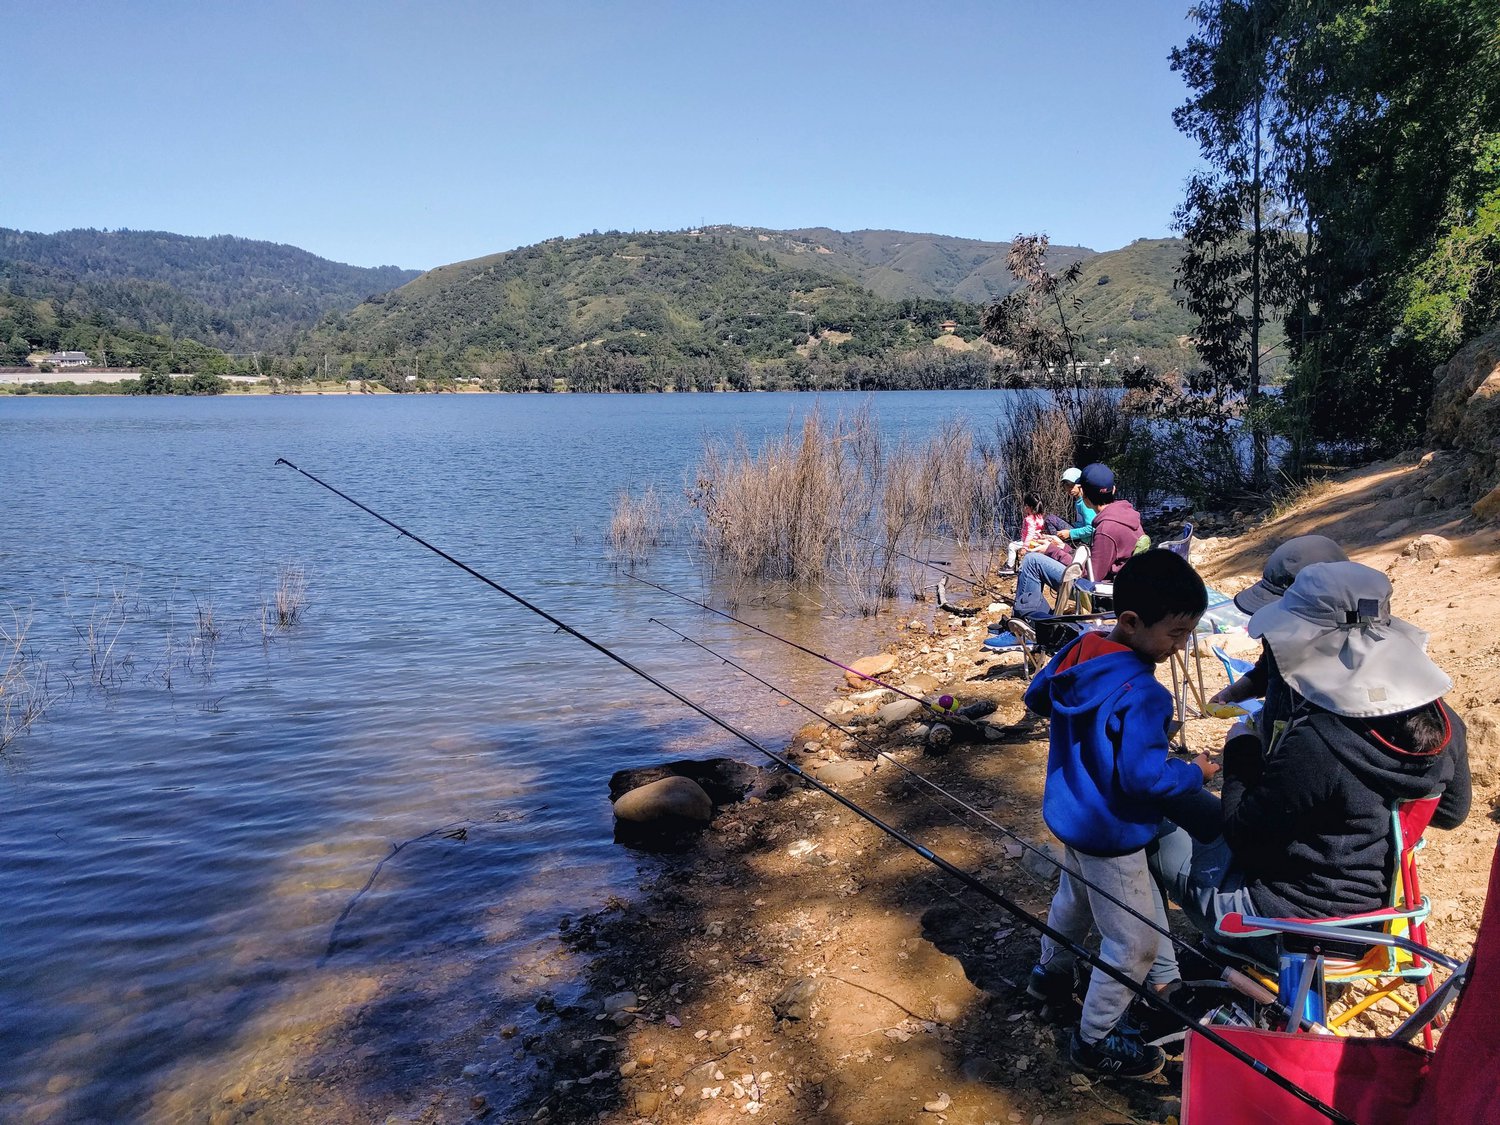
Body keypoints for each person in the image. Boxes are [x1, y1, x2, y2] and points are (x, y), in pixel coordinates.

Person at [1153, 561, 1472, 957]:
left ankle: (1162, 968)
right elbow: (1451, 814)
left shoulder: (1320, 737)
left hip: (1286, 926)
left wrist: (1240, 748)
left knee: (1151, 828)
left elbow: (1242, 836)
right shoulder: (1445, 721)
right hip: (1377, 924)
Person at [1024, 550, 1218, 1079]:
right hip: (1112, 832)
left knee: (1076, 900)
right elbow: (1144, 779)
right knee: (1134, 941)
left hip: (1071, 815)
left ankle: (1049, 974)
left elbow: (1038, 697)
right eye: (1176, 635)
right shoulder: (1146, 695)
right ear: (1131, 622)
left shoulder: (1081, 649)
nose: (1180, 648)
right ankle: (1097, 1039)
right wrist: (1195, 773)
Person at [1210, 534, 1348, 745]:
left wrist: (1241, 754)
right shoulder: (1279, 631)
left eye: (1282, 610)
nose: (1274, 620)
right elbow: (1267, 670)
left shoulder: (1349, 651)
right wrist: (1232, 693)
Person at [1014, 463, 1138, 617]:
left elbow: (1089, 575)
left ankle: (1028, 623)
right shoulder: (1128, 516)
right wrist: (1063, 548)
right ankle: (1041, 618)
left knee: (1032, 561)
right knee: (1038, 558)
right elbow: (1100, 561)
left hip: (1096, 592)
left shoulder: (1107, 529)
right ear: (1113, 490)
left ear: (1084, 496)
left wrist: (1052, 551)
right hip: (1115, 586)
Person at [1004, 492, 1049, 571]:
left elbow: (1030, 533)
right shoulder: (1040, 517)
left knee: (1012, 546)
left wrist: (1025, 547)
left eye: (1026, 506)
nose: (1024, 508)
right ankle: (1022, 566)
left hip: (1029, 542)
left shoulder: (1029, 519)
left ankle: (1010, 566)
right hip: (1037, 541)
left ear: (1030, 507)